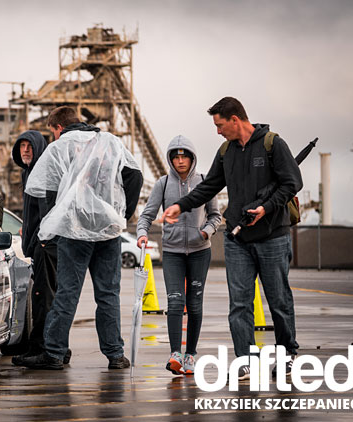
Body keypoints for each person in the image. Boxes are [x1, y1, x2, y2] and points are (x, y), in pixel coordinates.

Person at [160, 97, 303, 380]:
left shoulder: (273, 144)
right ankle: (246, 360)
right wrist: (181, 205)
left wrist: (266, 207)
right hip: (237, 239)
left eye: (220, 125)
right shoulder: (226, 151)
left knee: (278, 300)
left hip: (273, 237)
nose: (217, 131)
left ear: (235, 120)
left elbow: (292, 182)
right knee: (239, 303)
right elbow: (210, 185)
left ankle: (287, 354)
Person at [20, 106, 143, 370]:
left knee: (67, 293)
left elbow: (45, 190)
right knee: (108, 293)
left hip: (74, 230)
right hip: (107, 229)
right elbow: (135, 175)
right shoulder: (110, 141)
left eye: (52, 132)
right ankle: (115, 355)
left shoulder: (58, 148)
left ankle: (53, 352)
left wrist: (56, 222)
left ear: (58, 128)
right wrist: (122, 214)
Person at [136, 136, 221, 376]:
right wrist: (142, 234)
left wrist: (206, 232)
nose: (180, 161)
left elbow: (216, 215)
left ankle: (190, 355)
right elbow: (146, 216)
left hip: (199, 252)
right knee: (175, 301)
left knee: (194, 304)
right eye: (176, 156)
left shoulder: (205, 183)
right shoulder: (163, 184)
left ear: (192, 158)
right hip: (172, 252)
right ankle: (175, 354)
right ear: (171, 159)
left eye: (185, 156)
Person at [10, 130, 70, 365]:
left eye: (30, 146)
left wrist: (43, 240)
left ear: (39, 148)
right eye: (21, 146)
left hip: (46, 245)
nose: (25, 150)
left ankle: (43, 349)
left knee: (44, 298)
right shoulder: (28, 174)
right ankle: (57, 348)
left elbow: (48, 209)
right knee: (46, 298)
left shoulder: (44, 172)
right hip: (38, 244)